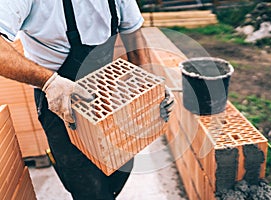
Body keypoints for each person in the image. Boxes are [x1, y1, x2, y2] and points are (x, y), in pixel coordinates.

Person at [0, 0, 172, 199]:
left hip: (109, 95)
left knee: (120, 167)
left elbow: (134, 36)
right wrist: (49, 83)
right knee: (87, 186)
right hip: (61, 103)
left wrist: (149, 85)